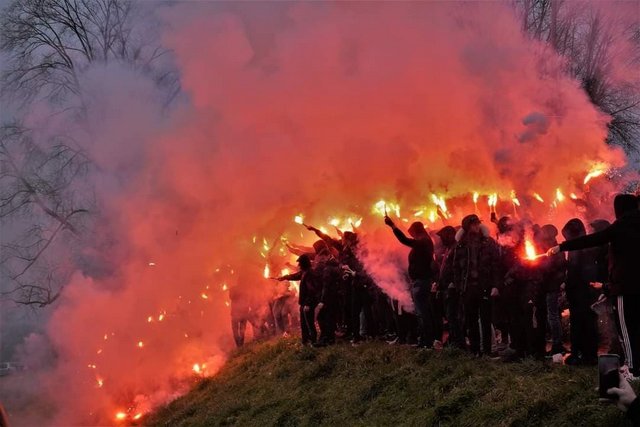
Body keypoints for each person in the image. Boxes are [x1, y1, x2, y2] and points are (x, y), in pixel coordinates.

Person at [549, 194, 640, 375]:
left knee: (627, 329)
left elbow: (591, 240)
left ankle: (633, 369)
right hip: (633, 285)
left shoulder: (621, 226)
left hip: (625, 287)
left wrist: (561, 247)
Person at [443, 214, 500, 356]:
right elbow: (455, 267)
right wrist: (458, 285)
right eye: (473, 224)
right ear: (467, 227)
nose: (476, 226)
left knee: (486, 320)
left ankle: (487, 351)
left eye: (477, 223)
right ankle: (475, 350)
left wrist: (495, 285)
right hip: (468, 288)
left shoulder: (488, 243)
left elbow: (496, 265)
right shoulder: (461, 245)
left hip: (484, 286)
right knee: (471, 320)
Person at [384, 215, 435, 348]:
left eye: (412, 231)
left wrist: (393, 226)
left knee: (422, 313)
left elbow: (404, 240)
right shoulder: (424, 241)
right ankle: (424, 340)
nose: (410, 234)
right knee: (422, 312)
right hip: (421, 281)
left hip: (422, 281)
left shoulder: (423, 241)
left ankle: (427, 342)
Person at [275, 254, 322, 345]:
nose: (298, 265)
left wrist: (308, 304)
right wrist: (284, 278)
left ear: (304, 263)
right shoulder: (304, 272)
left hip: (308, 304)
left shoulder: (309, 274)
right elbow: (295, 276)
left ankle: (313, 341)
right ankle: (305, 341)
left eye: (300, 263)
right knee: (304, 324)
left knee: (309, 324)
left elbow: (311, 291)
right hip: (304, 303)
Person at [538, 224, 567, 358]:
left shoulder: (553, 250)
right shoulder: (554, 247)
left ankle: (557, 345)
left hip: (551, 287)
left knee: (552, 316)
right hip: (550, 286)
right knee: (552, 315)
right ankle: (556, 344)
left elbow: (552, 268)